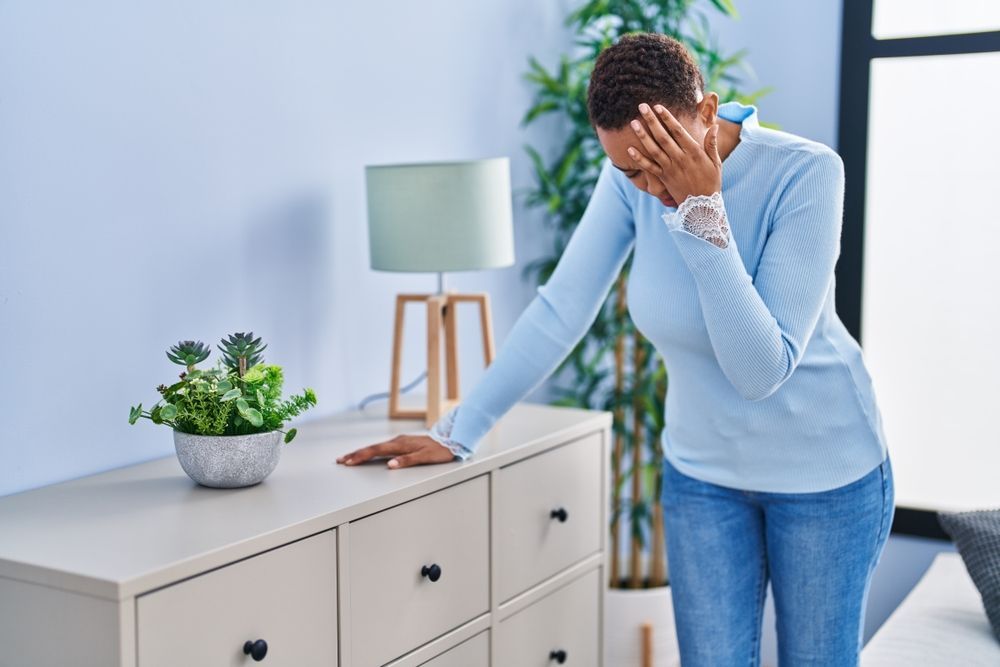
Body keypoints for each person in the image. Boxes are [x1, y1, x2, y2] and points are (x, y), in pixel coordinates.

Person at [337, 32, 894, 666]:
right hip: (703, 478)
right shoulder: (628, 181)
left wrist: (701, 211)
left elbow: (760, 370)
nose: (650, 185)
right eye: (630, 168)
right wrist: (459, 430)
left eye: (662, 158)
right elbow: (561, 307)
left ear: (707, 114)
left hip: (826, 474)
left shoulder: (806, 173)